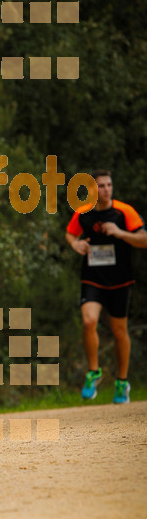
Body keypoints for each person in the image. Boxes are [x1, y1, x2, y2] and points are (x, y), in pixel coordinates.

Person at [65, 169, 147, 403]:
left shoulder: (124, 211)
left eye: (109, 185)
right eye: (101, 186)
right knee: (89, 321)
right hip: (93, 277)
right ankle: (94, 372)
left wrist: (120, 233)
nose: (106, 189)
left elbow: (144, 239)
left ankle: (122, 382)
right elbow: (70, 234)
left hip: (120, 279)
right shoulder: (83, 213)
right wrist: (76, 245)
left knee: (119, 331)